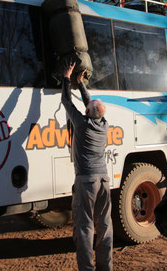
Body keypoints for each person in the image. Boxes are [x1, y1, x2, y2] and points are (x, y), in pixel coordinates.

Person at [61, 61, 113, 271]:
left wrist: (67, 77)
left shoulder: (81, 124)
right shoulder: (103, 124)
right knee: (105, 226)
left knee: (84, 227)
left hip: (87, 181)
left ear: (88, 111)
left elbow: (66, 100)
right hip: (104, 180)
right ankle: (105, 267)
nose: (88, 105)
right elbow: (90, 104)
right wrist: (81, 84)